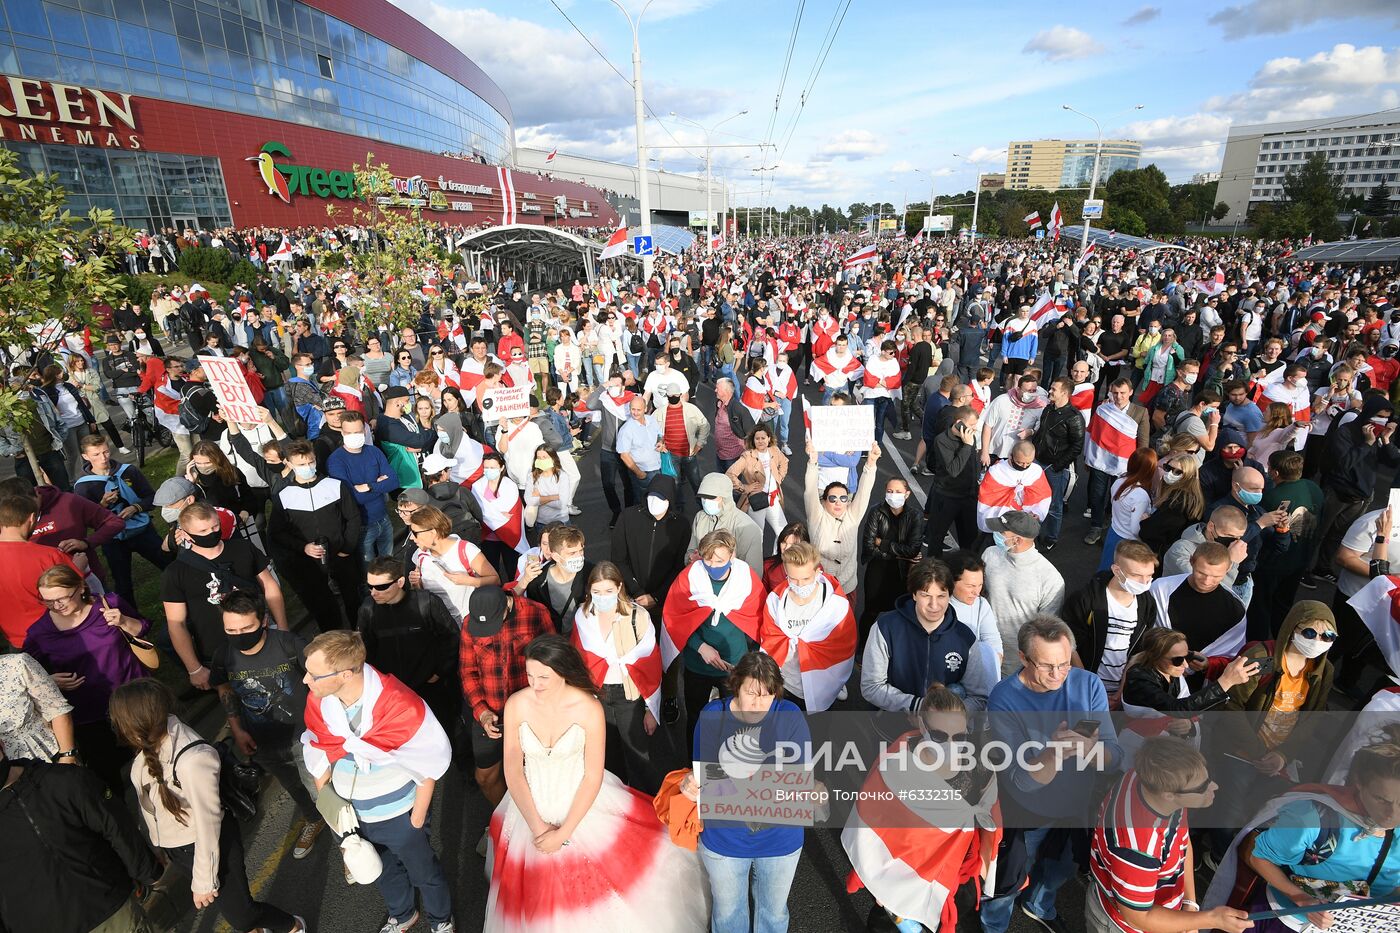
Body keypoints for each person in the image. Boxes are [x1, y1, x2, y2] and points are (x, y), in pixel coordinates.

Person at [483, 635, 708, 932]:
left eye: (543, 677)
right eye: (530, 676)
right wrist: (538, 828)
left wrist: (563, 833)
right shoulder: (517, 704)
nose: (534, 684)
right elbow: (513, 768)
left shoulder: (589, 707)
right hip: (528, 807)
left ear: (563, 672)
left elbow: (592, 774)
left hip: (582, 803)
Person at [111, 679, 307, 933]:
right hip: (180, 848)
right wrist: (158, 842)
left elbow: (209, 823)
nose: (117, 727)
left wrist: (204, 880)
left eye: (119, 721)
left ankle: (292, 926)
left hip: (208, 844)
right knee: (230, 905)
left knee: (241, 916)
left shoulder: (192, 760)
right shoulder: (148, 747)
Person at [301, 630, 455, 933]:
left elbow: (429, 761)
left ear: (345, 674)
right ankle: (402, 915)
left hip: (400, 815)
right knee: (382, 872)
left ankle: (441, 920)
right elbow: (317, 751)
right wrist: (334, 814)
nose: (305, 680)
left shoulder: (400, 703)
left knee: (424, 873)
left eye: (313, 675)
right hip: (352, 816)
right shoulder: (319, 701)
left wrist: (417, 818)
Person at [982, 616, 1123, 933]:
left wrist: (1090, 751)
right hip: (1026, 812)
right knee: (1008, 879)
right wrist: (1053, 753)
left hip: (1076, 807)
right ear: (1023, 658)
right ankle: (993, 926)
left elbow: (1114, 757)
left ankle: (1039, 906)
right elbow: (1022, 781)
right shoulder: (1004, 698)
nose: (1058, 675)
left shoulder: (1088, 684)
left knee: (1060, 870)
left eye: (1064, 664)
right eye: (1047, 666)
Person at [841, 682, 1000, 933]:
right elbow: (872, 825)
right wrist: (878, 881)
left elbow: (990, 823)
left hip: (954, 881)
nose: (950, 743)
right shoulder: (896, 764)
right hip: (901, 880)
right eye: (939, 736)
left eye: (959, 737)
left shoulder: (980, 767)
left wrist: (981, 869)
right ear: (922, 726)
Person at [1215, 739, 1400, 932]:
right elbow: (1257, 856)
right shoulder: (1314, 819)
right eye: (1381, 799)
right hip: (1285, 920)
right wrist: (1301, 899)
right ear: (1359, 783)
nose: (1391, 814)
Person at [691, 652, 810, 933]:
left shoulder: (790, 716)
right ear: (735, 686)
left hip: (780, 841)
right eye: (750, 693)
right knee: (729, 915)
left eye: (767, 695)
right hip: (724, 841)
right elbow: (704, 780)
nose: (758, 704)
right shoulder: (712, 716)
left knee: (774, 915)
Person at [1086, 736, 1252, 933]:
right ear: (1169, 795)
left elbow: (1182, 841)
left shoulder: (1152, 782)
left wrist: (1190, 904)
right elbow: (1139, 918)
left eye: (1209, 778)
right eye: (1202, 787)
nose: (1214, 787)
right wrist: (1210, 919)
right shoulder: (1138, 847)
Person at [0, 739, 162, 933]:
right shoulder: (61, 780)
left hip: (110, 913)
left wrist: (147, 871)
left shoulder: (61, 781)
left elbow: (114, 824)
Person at [216, 591, 325, 860]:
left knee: (323, 792)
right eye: (231, 630)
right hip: (262, 743)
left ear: (264, 620)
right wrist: (238, 730)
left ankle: (348, 843)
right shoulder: (224, 655)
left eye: (247, 628)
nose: (239, 635)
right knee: (294, 788)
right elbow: (225, 689)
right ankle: (313, 820)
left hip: (304, 738)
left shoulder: (289, 644)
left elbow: (321, 680)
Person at [28, 563, 149, 789]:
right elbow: (27, 672)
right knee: (107, 776)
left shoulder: (108, 604)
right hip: (89, 716)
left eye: (62, 598)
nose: (57, 606)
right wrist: (50, 680)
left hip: (133, 701)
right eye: (48, 601)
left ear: (81, 587)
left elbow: (143, 627)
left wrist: (124, 622)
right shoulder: (39, 633)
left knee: (155, 759)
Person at [459, 585, 555, 827]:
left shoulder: (536, 613)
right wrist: (481, 712)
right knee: (485, 777)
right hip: (491, 713)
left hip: (532, 712)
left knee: (534, 772)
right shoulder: (470, 624)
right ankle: (511, 820)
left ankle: (537, 818)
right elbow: (467, 671)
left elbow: (555, 661)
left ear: (506, 607)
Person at [569, 562, 669, 793]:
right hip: (598, 694)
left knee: (638, 756)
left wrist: (649, 710)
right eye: (596, 592)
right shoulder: (583, 617)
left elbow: (650, 666)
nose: (602, 597)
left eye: (608, 591)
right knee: (607, 755)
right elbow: (577, 662)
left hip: (629, 694)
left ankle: (647, 807)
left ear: (619, 588)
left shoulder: (638, 617)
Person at [359, 557, 463, 769]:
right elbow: (365, 649)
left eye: (381, 587)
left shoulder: (426, 603)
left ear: (399, 582)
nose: (374, 592)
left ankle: (457, 765)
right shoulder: (368, 609)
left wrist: (439, 672)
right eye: (370, 586)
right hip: (394, 690)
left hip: (430, 685)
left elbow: (451, 636)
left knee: (445, 728)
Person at [662, 529, 765, 744]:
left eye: (720, 561)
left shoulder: (746, 578)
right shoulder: (689, 577)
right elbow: (674, 617)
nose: (713, 567)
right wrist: (700, 647)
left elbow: (760, 616)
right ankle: (694, 766)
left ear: (732, 556)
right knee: (696, 719)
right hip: (697, 664)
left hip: (734, 664)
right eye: (708, 561)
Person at [862, 557, 997, 713]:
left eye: (941, 596)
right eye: (926, 596)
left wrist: (949, 715)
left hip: (945, 733)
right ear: (914, 594)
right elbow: (871, 686)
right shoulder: (885, 628)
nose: (934, 605)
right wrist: (919, 707)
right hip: (888, 729)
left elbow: (979, 698)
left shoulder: (965, 639)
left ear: (949, 595)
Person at [268, 439, 364, 632]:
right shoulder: (284, 495)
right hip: (309, 561)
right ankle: (333, 639)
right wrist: (303, 547)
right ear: (289, 464)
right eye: (301, 464)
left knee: (353, 599)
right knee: (322, 605)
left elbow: (353, 518)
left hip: (341, 555)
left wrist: (346, 549)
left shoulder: (335, 485)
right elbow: (277, 532)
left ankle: (361, 632)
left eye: (311, 462)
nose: (308, 467)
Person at [760, 541, 857, 713]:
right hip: (786, 684)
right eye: (793, 579)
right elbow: (769, 640)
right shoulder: (775, 602)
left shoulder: (835, 605)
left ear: (818, 572)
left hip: (823, 685)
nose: (800, 585)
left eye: (806, 579)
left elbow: (844, 646)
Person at [1062, 540, 1161, 698]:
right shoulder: (1086, 599)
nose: (1144, 582)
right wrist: (1088, 686)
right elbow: (1069, 643)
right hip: (1084, 688)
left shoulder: (1147, 603)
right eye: (1136, 575)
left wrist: (1121, 691)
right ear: (1116, 570)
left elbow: (1138, 651)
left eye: (1149, 575)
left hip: (1120, 689)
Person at [981, 511, 1066, 675]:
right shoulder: (990, 554)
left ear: (1016, 540)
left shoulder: (1051, 579)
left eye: (1001, 532)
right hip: (983, 647)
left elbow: (1045, 629)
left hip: (1016, 663)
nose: (995, 534)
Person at [0, 494, 81, 647]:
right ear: (31, 518)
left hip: (17, 643)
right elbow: (78, 590)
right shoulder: (50, 555)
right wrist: (80, 566)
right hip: (59, 635)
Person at [804, 439, 880, 596]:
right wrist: (812, 463)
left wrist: (871, 464)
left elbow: (864, 492)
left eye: (843, 498)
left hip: (847, 588)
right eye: (832, 499)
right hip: (819, 588)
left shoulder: (852, 516)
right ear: (824, 502)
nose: (838, 502)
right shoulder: (816, 516)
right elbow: (810, 490)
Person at [1150, 542, 1249, 659]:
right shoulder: (1161, 588)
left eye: (1216, 576)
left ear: (1228, 569)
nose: (1207, 581)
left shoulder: (1235, 608)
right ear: (1191, 561)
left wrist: (1208, 664)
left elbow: (1231, 653)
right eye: (1201, 573)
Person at [1084, 379, 1152, 546]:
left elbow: (1143, 442)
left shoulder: (1141, 412)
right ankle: (1096, 526)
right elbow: (1092, 434)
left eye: (1122, 393)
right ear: (1110, 392)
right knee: (1097, 494)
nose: (1119, 396)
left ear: (1130, 392)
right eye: (1115, 393)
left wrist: (1140, 467)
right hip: (1100, 460)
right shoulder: (1102, 409)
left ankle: (1113, 522)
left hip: (1125, 465)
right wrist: (1087, 456)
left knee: (1118, 496)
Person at [407, 504, 500, 621]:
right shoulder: (420, 554)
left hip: (464, 621)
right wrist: (415, 583)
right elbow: (420, 592)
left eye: (415, 533)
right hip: (436, 623)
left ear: (433, 533)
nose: (411, 538)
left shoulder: (466, 550)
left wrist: (469, 581)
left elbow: (495, 579)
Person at [327, 411, 398, 562]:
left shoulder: (374, 451)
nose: (354, 436)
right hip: (362, 525)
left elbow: (393, 482)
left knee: (389, 563)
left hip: (384, 518)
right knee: (368, 570)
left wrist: (369, 486)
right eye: (349, 432)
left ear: (365, 430)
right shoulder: (336, 461)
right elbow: (352, 498)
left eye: (358, 432)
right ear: (342, 432)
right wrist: (379, 485)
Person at [859, 477, 924, 637]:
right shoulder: (876, 511)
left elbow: (913, 550)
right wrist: (902, 555)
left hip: (902, 574)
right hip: (877, 570)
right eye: (889, 491)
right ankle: (862, 646)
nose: (893, 495)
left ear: (907, 494)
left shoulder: (914, 515)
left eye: (898, 492)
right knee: (871, 611)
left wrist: (883, 543)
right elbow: (868, 546)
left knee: (901, 611)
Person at [1033, 377, 1086, 551]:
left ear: (1065, 393)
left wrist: (1057, 466)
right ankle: (1034, 532)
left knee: (1054, 506)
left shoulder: (1075, 418)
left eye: (1054, 389)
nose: (1050, 391)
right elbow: (1041, 433)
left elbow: (1077, 447)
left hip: (1054, 468)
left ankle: (1051, 537)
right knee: (1034, 500)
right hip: (1038, 462)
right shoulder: (1048, 409)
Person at [924, 405, 982, 556]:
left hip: (968, 497)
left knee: (970, 539)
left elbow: (972, 465)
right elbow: (953, 470)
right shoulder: (942, 440)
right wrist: (967, 445)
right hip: (946, 497)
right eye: (971, 425)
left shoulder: (971, 437)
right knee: (936, 538)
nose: (975, 429)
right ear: (959, 422)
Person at [586, 370, 640, 524]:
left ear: (623, 386)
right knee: (608, 484)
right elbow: (590, 404)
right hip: (608, 449)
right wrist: (604, 386)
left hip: (626, 451)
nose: (613, 387)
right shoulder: (605, 399)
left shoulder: (631, 400)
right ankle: (616, 511)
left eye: (617, 384)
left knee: (628, 483)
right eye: (611, 384)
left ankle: (629, 511)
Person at [519, 524, 592, 636]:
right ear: (556, 556)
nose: (579, 556)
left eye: (581, 550)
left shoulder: (591, 572)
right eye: (572, 553)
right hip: (552, 639)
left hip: (581, 637)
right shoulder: (537, 582)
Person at [726, 425, 790, 547]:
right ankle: (757, 564)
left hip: (773, 499)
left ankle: (776, 560)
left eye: (763, 438)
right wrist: (744, 488)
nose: (760, 441)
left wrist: (779, 478)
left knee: (783, 533)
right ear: (753, 440)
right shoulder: (747, 456)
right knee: (757, 537)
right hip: (757, 501)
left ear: (768, 438)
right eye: (757, 438)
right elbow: (730, 474)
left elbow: (785, 462)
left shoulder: (774, 451)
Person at [1099, 448, 1158, 573]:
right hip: (1128, 543)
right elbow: (1135, 529)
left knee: (1104, 571)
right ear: (1149, 469)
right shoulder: (1140, 495)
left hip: (1113, 533)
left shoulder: (1119, 481)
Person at [1137, 453, 1206, 558]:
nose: (1171, 473)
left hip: (1161, 554)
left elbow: (1150, 532)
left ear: (1189, 476)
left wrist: (1145, 521)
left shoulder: (1178, 501)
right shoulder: (1189, 495)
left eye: (1178, 472)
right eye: (1168, 468)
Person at [689, 472, 763, 569]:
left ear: (725, 497)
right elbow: (690, 552)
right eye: (703, 497)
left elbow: (753, 573)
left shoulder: (748, 528)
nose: (706, 501)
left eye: (712, 497)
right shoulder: (700, 517)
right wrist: (691, 559)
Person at [713, 376, 756, 473]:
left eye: (717, 388)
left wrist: (748, 454)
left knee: (733, 484)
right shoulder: (719, 403)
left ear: (727, 391)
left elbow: (752, 431)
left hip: (733, 457)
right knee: (722, 482)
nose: (715, 390)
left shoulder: (738, 409)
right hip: (720, 454)